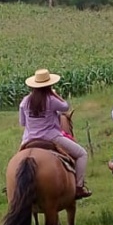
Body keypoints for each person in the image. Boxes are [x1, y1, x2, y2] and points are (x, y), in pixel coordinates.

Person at [19, 69, 91, 199]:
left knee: (19, 161)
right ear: (49, 86)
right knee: (81, 154)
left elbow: (23, 123)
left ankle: (13, 187)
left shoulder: (25, 101)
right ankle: (79, 187)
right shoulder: (51, 99)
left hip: (28, 138)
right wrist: (55, 94)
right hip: (51, 137)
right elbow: (65, 107)